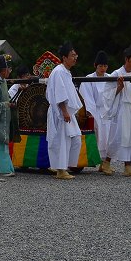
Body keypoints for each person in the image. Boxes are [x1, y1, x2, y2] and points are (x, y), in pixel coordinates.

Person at [102, 45, 131, 177]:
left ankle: (128, 167)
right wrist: (119, 87)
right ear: (127, 59)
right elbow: (106, 93)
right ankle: (106, 162)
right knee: (117, 136)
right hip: (121, 108)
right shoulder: (117, 74)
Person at [46, 42, 83, 180]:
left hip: (67, 112)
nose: (75, 58)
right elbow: (59, 94)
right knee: (62, 140)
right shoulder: (59, 71)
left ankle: (64, 167)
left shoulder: (66, 72)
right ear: (64, 57)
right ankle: (60, 170)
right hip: (60, 111)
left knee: (75, 138)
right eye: (72, 55)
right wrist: (64, 111)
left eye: (75, 55)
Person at [79, 51, 112, 173]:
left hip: (108, 110)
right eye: (100, 66)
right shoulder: (89, 79)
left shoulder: (110, 78)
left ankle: (105, 163)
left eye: (105, 66)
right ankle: (97, 160)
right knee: (99, 135)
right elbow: (86, 96)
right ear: (95, 66)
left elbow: (113, 94)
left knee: (109, 136)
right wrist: (90, 111)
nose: (103, 69)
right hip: (95, 111)